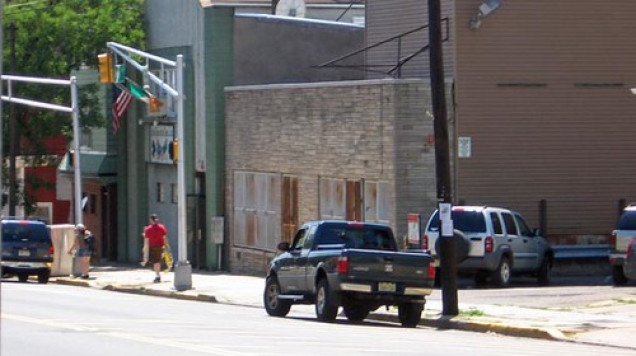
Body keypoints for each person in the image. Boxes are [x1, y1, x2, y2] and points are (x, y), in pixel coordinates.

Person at [144, 214, 168, 283]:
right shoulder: (162, 227)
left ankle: (157, 276)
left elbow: (146, 241)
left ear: (151, 220)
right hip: (160, 246)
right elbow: (164, 238)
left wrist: (145, 250)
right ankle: (158, 274)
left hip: (153, 247)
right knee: (157, 261)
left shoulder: (148, 229)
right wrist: (166, 247)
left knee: (156, 262)